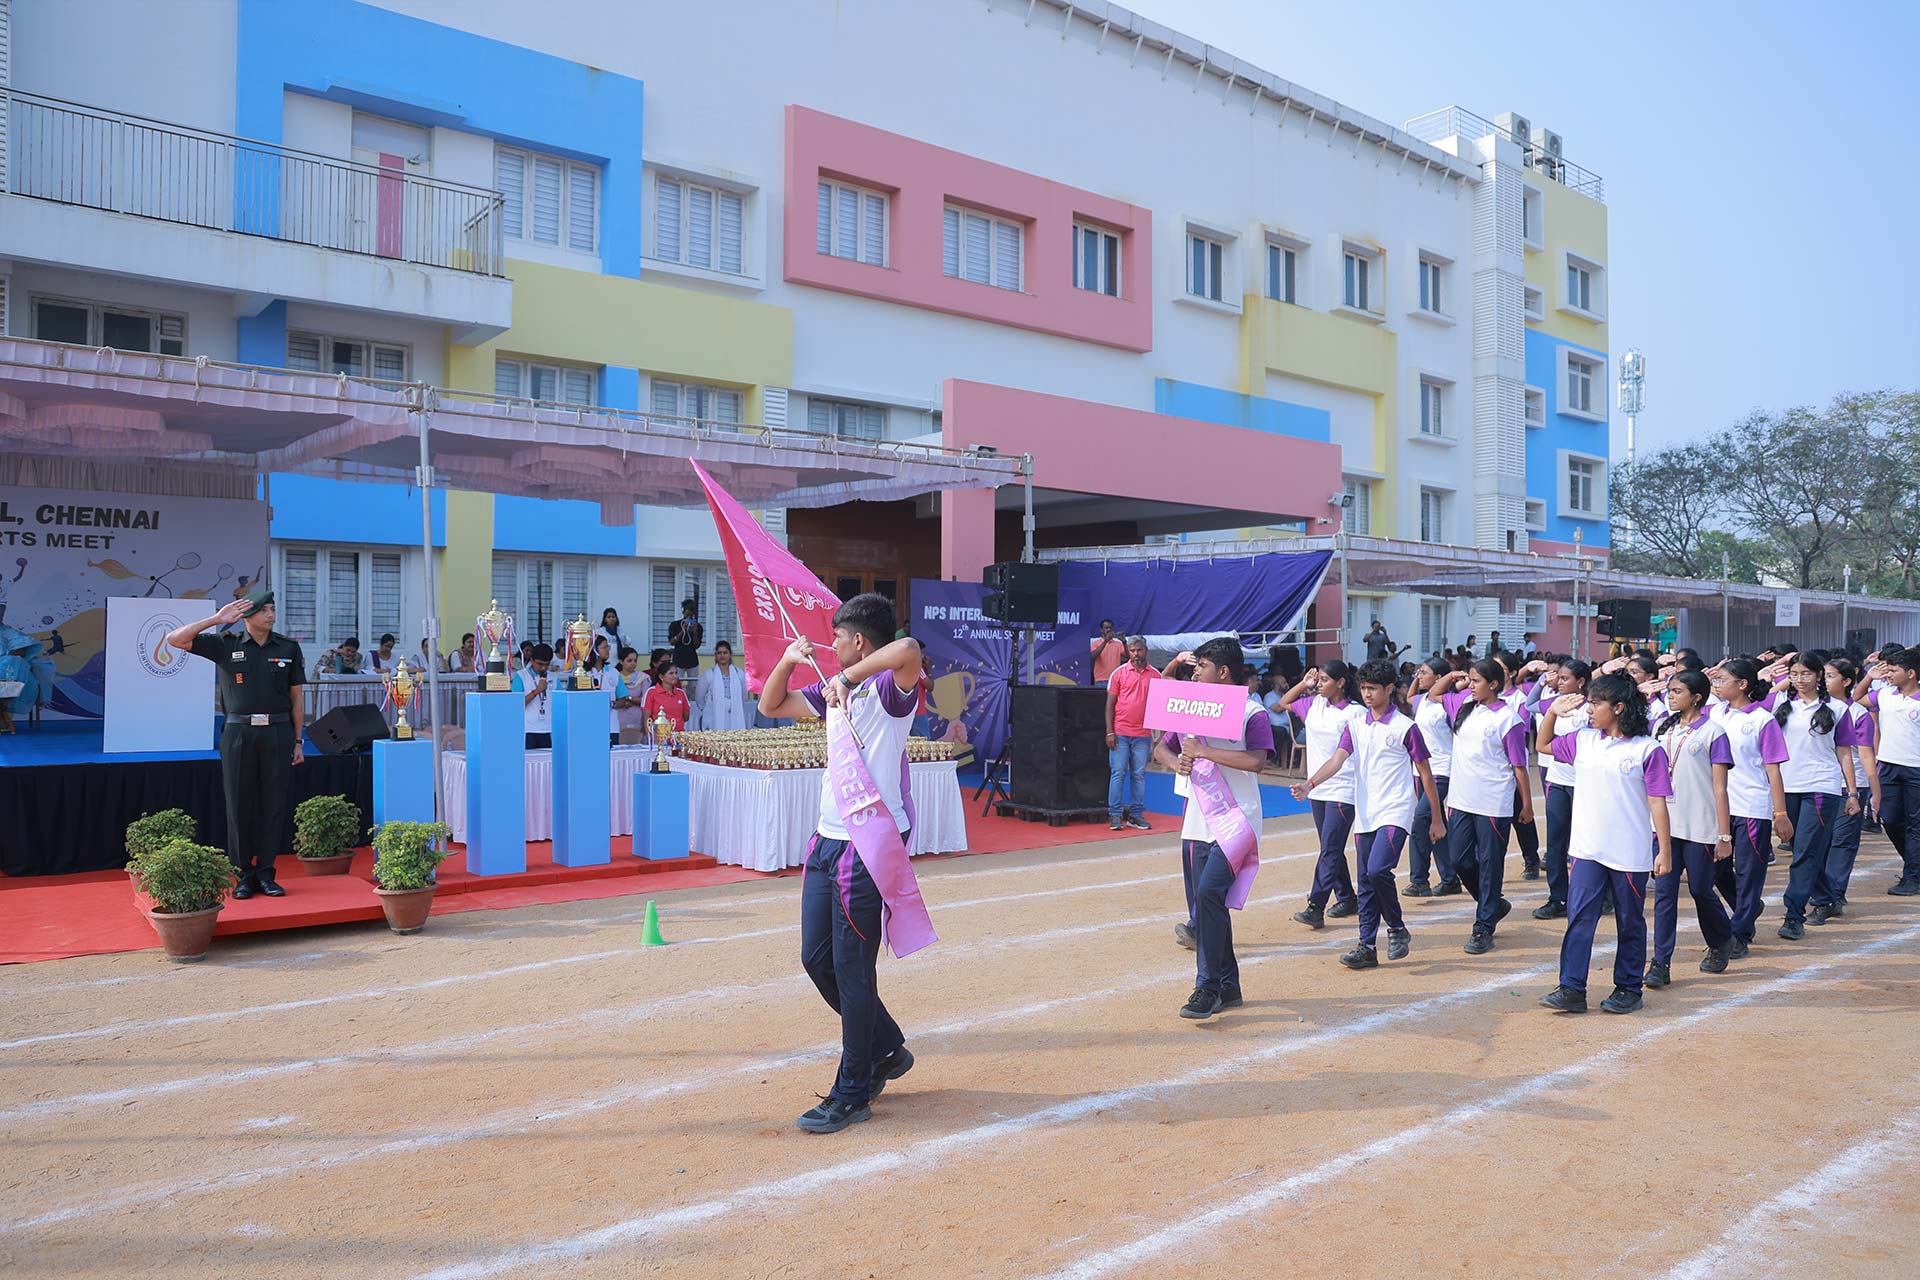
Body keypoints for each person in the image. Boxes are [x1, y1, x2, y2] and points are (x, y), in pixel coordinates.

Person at [757, 594, 927, 1134]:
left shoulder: (889, 689)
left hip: (867, 841)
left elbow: (908, 647)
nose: (830, 647)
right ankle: (887, 1047)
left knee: (854, 969)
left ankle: (853, 1091)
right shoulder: (831, 688)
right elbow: (771, 706)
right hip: (827, 838)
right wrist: (788, 660)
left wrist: (849, 679)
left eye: (836, 638)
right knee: (816, 959)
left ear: (858, 641)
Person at [1292, 659, 1442, 969]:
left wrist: (1437, 818)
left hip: (1396, 810)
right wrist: (1310, 784)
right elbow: (1336, 760)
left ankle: (1397, 928)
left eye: (1373, 688)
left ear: (1389, 689)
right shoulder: (1356, 725)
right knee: (1365, 882)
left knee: (1377, 871)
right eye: (1363, 688)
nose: (1367, 694)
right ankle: (1367, 946)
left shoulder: (1405, 727)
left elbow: (1425, 773)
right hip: (1365, 812)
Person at [1536, 674, 1673, 1014]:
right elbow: (1543, 745)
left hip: (1628, 852)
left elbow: (1657, 802)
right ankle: (1571, 987)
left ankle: (1628, 988)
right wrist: (1552, 712)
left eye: (1596, 703)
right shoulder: (1583, 740)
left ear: (1619, 707)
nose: (1589, 709)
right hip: (1587, 849)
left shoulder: (1647, 749)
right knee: (1579, 918)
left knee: (1629, 921)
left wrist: (1665, 851)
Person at [1153, 637, 1272, 1020]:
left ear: (1222, 671)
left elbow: (1257, 761)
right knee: (1207, 904)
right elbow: (1161, 747)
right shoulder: (1189, 706)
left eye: (1201, 666)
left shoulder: (1251, 711)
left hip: (1237, 818)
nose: (1195, 673)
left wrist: (1204, 752)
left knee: (1208, 895)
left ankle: (1207, 986)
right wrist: (1175, 762)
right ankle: (1229, 984)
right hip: (1198, 820)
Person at [165, 590, 306, 899]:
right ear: (246, 616)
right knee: (238, 804)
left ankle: (266, 873)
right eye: (264, 610)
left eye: (272, 609)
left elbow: (296, 698)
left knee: (273, 805)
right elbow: (174, 639)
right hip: (239, 732)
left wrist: (299, 741)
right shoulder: (225, 643)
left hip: (278, 732)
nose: (271, 615)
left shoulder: (288, 647)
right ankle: (242, 874)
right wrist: (216, 619)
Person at [1432, 658, 1532, 954]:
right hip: (1461, 799)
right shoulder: (1465, 706)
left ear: (1494, 684)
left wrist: (1526, 804)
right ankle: (1493, 904)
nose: (1470, 685)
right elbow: (1435, 694)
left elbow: (1519, 766)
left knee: (1490, 864)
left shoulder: (1508, 719)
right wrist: (1453, 676)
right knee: (1459, 859)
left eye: (1476, 681)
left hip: (1493, 801)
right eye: (1470, 680)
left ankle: (1483, 926)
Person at [1645, 669, 1737, 981]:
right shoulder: (1661, 727)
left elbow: (1720, 789)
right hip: (1666, 826)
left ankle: (1721, 939)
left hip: (1700, 826)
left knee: (1700, 889)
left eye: (1677, 692)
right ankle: (1660, 963)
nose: (1670, 696)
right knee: (1664, 894)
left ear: (1696, 697)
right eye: (1669, 691)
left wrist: (1724, 835)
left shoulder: (1713, 732)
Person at [1772, 650, 1868, 941]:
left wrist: (1852, 793)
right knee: (1798, 847)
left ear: (1818, 677)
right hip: (1786, 786)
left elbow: (1844, 752)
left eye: (1806, 674)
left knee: (1805, 851)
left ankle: (1794, 915)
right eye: (1794, 674)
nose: (1800, 680)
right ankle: (1827, 897)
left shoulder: (1838, 709)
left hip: (1821, 787)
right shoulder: (1781, 705)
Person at [1706, 658, 1792, 957]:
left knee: (1748, 872)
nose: (1716, 685)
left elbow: (1773, 771)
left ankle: (1740, 933)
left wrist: (1780, 814)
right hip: (1718, 806)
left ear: (1742, 684)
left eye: (1722, 680)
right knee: (1714, 869)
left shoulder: (1762, 720)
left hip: (1751, 806)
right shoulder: (1714, 713)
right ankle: (1748, 907)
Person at [1278, 661, 1364, 928]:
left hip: (1344, 787)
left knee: (1330, 847)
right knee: (1330, 846)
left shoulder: (1355, 712)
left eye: (1325, 680)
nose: (1319, 684)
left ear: (1341, 682)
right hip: (1317, 787)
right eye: (1319, 680)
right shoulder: (1315, 704)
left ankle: (1316, 906)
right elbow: (1284, 702)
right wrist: (1304, 684)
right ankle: (1347, 897)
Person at [1813, 656, 1881, 918]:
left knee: (1842, 841)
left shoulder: (1857, 713)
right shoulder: (1812, 708)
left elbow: (1865, 754)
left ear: (1847, 681)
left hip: (1851, 786)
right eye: (1823, 676)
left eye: (1830, 676)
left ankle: (1834, 895)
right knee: (1819, 841)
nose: (1824, 680)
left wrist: (1874, 790)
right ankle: (1822, 891)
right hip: (1819, 784)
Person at [1532, 658, 1592, 920]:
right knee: (1555, 842)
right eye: (1559, 677)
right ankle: (1558, 897)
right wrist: (1551, 707)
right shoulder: (1555, 703)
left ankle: (1599, 894)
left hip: (1584, 784)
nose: (1559, 682)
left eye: (1565, 678)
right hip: (1557, 780)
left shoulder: (1591, 708)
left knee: (1586, 840)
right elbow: (1530, 705)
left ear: (1581, 682)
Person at [1864, 647, 1920, 895]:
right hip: (1888, 765)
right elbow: (1857, 698)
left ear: (1911, 673)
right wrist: (1869, 676)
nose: (1888, 674)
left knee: (1916, 824)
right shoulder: (1886, 694)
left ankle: (1912, 877)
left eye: (1893, 670)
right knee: (1890, 818)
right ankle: (1915, 866)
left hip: (1916, 768)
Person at [1405, 659, 1456, 897]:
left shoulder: (1448, 704)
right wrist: (1417, 679)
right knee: (1437, 822)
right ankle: (1450, 878)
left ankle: (1419, 880)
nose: (1419, 675)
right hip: (1421, 771)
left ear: (1438, 678)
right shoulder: (1422, 701)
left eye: (1424, 672)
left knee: (1420, 821)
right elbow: (1409, 697)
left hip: (1442, 770)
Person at [1104, 636, 1157, 833]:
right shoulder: (1118, 673)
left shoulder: (1156, 675)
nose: (1136, 654)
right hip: (1120, 732)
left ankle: (1136, 815)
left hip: (1143, 733)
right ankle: (1115, 815)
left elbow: (1159, 706)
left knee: (1139, 775)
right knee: (1118, 773)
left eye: (1139, 650)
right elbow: (1109, 705)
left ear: (1146, 650)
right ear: (1128, 652)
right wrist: (1110, 732)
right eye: (1132, 650)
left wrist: (1158, 734)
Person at [694, 639, 751, 732]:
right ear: (715, 655)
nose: (722, 655)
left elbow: (743, 696)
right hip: (714, 715)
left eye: (725, 652)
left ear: (730, 654)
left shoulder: (739, 674)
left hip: (735, 715)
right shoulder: (709, 675)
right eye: (719, 653)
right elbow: (699, 698)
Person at [515, 643, 554, 749]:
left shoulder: (554, 677)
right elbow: (516, 705)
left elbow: (559, 704)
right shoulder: (521, 676)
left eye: (547, 664)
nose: (543, 668)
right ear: (531, 660)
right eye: (540, 664)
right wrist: (536, 691)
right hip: (528, 729)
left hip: (549, 728)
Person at [611, 647, 651, 740]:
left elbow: (646, 700)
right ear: (621, 661)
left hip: (637, 718)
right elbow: (612, 698)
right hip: (618, 717)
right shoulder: (614, 676)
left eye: (635, 661)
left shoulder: (643, 677)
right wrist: (631, 700)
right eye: (629, 661)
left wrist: (628, 698)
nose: (633, 663)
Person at [668, 598, 704, 694]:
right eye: (687, 615)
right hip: (678, 660)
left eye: (691, 616)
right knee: (675, 684)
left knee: (693, 686)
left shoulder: (698, 627)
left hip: (692, 660)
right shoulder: (675, 625)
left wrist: (694, 632)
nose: (688, 618)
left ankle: (692, 701)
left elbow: (697, 645)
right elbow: (672, 642)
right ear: (683, 613)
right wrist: (682, 631)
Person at [1261, 669, 1297, 765]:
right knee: (1281, 732)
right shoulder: (1269, 696)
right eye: (1283, 683)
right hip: (1274, 726)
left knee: (1299, 731)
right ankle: (1271, 759)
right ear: (1277, 685)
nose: (1286, 684)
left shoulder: (1285, 696)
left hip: (1287, 726)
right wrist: (1290, 703)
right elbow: (1278, 709)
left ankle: (1293, 760)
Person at [642, 665, 691, 735]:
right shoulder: (651, 692)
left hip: (679, 735)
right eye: (671, 673)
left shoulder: (681, 693)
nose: (675, 676)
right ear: (661, 677)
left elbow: (686, 717)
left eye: (676, 673)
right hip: (659, 736)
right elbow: (646, 719)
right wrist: (650, 737)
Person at [1090, 619, 1126, 686]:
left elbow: (1128, 657)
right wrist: (1105, 641)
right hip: (1100, 680)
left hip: (1115, 679)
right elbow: (1093, 656)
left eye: (1110, 628)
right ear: (1101, 630)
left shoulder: (1118, 644)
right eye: (1106, 628)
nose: (1109, 630)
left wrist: (1124, 642)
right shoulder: (1096, 643)